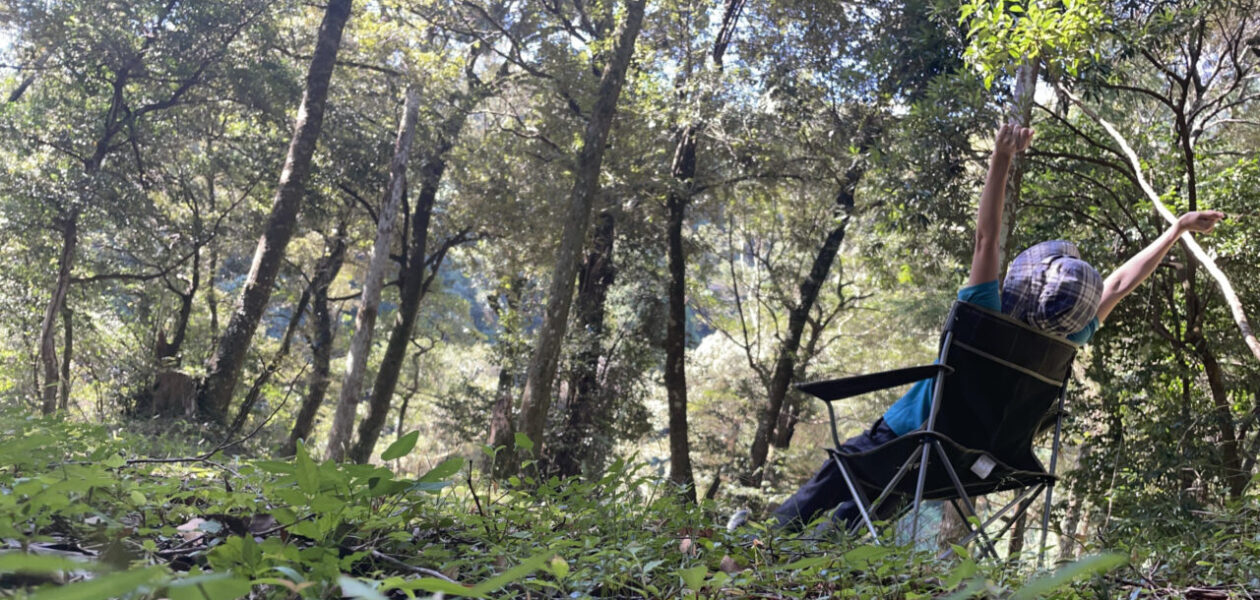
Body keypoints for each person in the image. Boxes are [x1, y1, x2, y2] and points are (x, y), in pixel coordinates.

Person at [767, 122, 1225, 534]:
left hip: (909, 438)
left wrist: (1000, 159)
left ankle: (754, 547)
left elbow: (986, 237)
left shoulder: (987, 311)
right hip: (966, 468)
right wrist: (1176, 230)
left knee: (844, 471)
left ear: (1024, 282)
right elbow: (1120, 284)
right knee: (876, 501)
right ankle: (808, 560)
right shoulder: (1065, 340)